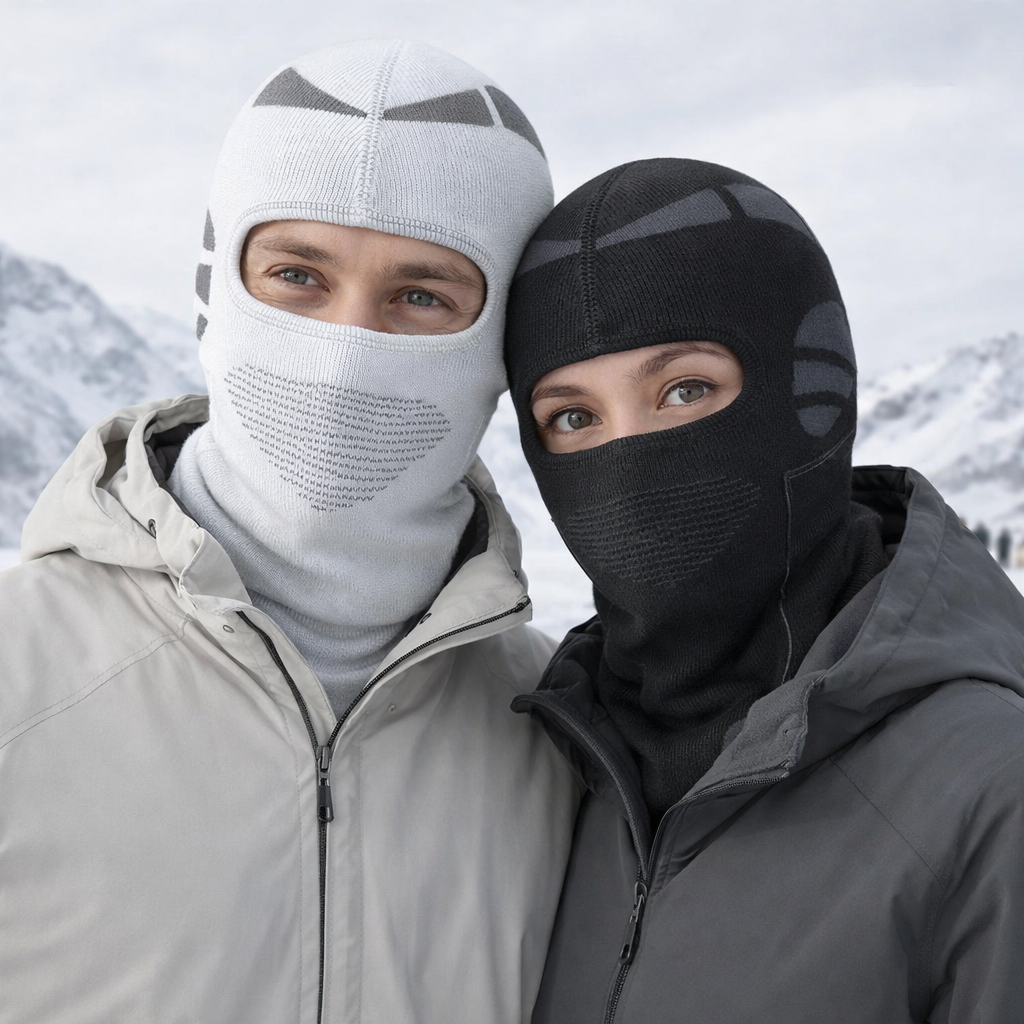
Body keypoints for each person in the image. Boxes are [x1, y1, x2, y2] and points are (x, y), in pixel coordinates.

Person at [0, 40, 579, 1023]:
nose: (346, 350)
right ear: (213, 288)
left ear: (501, 346)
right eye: (298, 275)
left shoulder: (566, 732)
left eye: (422, 295)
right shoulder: (18, 671)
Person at [504, 158, 1024, 1023]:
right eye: (574, 417)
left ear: (811, 393)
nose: (627, 463)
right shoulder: (557, 763)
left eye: (684, 390)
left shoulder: (990, 790)